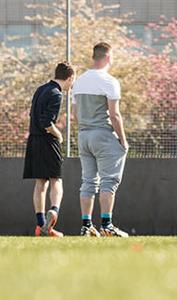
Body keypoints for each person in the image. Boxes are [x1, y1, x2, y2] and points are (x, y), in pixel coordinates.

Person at [72, 42, 129, 237]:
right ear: (107, 57)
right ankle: (107, 225)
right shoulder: (109, 81)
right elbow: (114, 115)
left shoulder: (78, 81)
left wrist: (84, 129)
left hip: (83, 135)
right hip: (102, 135)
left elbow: (74, 113)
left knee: (88, 181)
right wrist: (123, 140)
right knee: (108, 181)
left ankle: (86, 226)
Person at [24, 62, 75, 237]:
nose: (71, 85)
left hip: (33, 140)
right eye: (72, 81)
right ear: (69, 78)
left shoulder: (41, 89)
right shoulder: (56, 93)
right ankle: (54, 210)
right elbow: (47, 122)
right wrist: (58, 134)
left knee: (40, 183)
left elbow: (34, 116)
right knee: (56, 180)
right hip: (47, 141)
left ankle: (41, 226)